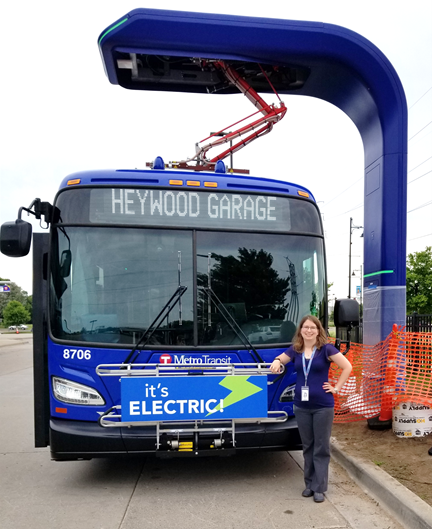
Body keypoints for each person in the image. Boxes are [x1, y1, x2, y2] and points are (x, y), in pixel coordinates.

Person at [270, 315, 352, 503]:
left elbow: (347, 367)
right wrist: (276, 361)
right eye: (305, 327)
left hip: (323, 406)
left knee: (321, 447)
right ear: (301, 330)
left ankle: (319, 487)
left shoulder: (326, 350)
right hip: (301, 406)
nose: (309, 330)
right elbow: (281, 359)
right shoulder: (296, 350)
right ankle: (309, 484)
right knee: (307, 446)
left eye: (312, 328)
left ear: (318, 330)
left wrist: (336, 388)